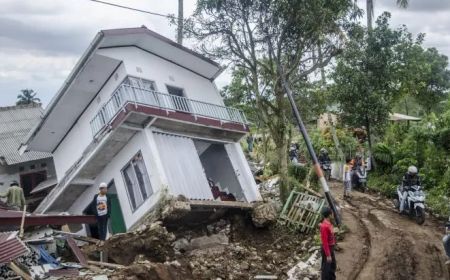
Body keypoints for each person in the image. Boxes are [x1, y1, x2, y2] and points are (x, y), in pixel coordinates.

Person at [320, 207, 336, 280]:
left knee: (333, 266)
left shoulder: (329, 223)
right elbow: (325, 242)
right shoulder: (324, 226)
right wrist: (328, 255)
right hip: (327, 249)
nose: (333, 214)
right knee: (326, 269)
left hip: (331, 248)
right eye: (331, 213)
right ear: (329, 215)